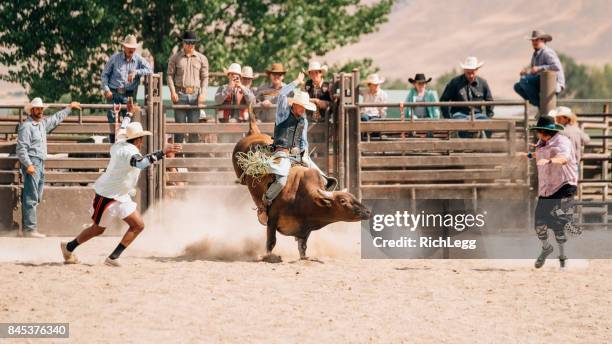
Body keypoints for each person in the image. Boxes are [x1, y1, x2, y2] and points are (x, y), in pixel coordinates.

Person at [60, 116, 182, 266]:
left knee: (138, 225)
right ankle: (68, 247)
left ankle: (113, 257)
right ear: (138, 140)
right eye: (141, 138)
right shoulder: (129, 152)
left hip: (120, 195)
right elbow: (141, 163)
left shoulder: (119, 143)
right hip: (108, 195)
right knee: (97, 229)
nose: (142, 142)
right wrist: (162, 152)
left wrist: (128, 116)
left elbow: (122, 129)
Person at [258, 72, 337, 225]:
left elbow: (303, 141)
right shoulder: (283, 113)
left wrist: (305, 153)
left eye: (305, 108)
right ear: (295, 105)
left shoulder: (303, 120)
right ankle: (265, 202)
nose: (303, 111)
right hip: (281, 152)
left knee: (323, 178)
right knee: (281, 181)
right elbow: (281, 94)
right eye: (302, 107)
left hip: (297, 153)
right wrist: (296, 81)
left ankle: (324, 198)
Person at [16, 98, 81, 238]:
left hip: (40, 162)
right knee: (31, 196)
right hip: (33, 162)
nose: (40, 111)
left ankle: (28, 228)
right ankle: (30, 229)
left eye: (41, 108)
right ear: (32, 110)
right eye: (37, 109)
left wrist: (68, 108)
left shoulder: (41, 124)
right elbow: (21, 148)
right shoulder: (26, 126)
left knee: (35, 195)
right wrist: (28, 165)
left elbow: (56, 118)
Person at [526, 115, 578, 268]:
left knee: (557, 222)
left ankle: (563, 256)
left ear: (543, 132)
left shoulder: (563, 142)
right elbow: (542, 154)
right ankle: (547, 248)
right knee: (539, 223)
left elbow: (564, 158)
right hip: (547, 188)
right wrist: (530, 155)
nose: (537, 134)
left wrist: (549, 161)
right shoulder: (543, 143)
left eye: (538, 131)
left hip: (563, 185)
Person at [101, 34, 152, 143]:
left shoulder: (138, 59)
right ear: (124, 47)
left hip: (129, 94)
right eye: (129, 47)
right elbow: (105, 74)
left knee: (128, 123)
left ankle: (125, 147)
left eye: (133, 47)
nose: (132, 49)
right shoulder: (115, 58)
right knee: (113, 122)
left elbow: (150, 69)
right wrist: (106, 89)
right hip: (113, 93)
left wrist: (137, 72)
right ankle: (113, 146)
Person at [167, 30, 209, 143]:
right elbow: (169, 76)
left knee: (194, 129)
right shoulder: (175, 58)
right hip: (180, 94)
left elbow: (205, 77)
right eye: (188, 42)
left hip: (195, 95)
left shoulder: (202, 59)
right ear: (183, 43)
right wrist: (172, 92)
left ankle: (193, 158)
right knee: (179, 129)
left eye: (193, 42)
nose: (190, 45)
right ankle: (179, 159)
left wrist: (203, 93)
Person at [440, 57, 494, 138]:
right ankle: (462, 147)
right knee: (460, 125)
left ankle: (484, 146)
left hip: (478, 115)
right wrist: (448, 117)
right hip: (459, 114)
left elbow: (490, 101)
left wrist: (489, 116)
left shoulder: (483, 83)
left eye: (473, 72)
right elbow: (444, 100)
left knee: (489, 124)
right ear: (464, 71)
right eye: (468, 73)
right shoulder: (455, 82)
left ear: (477, 70)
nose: (471, 75)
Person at [514, 30, 565, 108]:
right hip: (541, 81)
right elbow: (534, 73)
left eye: (536, 40)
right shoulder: (535, 55)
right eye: (533, 40)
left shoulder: (547, 52)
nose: (534, 42)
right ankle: (540, 105)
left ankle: (541, 106)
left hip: (554, 83)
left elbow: (556, 66)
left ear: (543, 40)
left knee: (524, 80)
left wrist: (539, 68)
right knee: (518, 86)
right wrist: (526, 73)